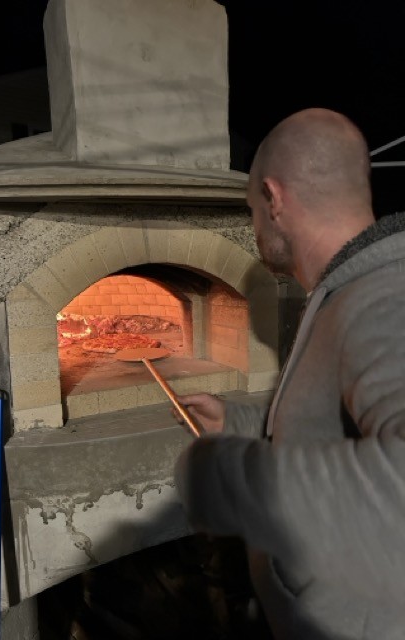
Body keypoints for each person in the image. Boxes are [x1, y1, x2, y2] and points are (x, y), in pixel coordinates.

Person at [173, 108, 405, 640]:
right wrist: (240, 423)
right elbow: (336, 427)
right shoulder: (347, 288)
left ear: (273, 198)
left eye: (252, 210)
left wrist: (230, 477)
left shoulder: (382, 297)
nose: (255, 228)